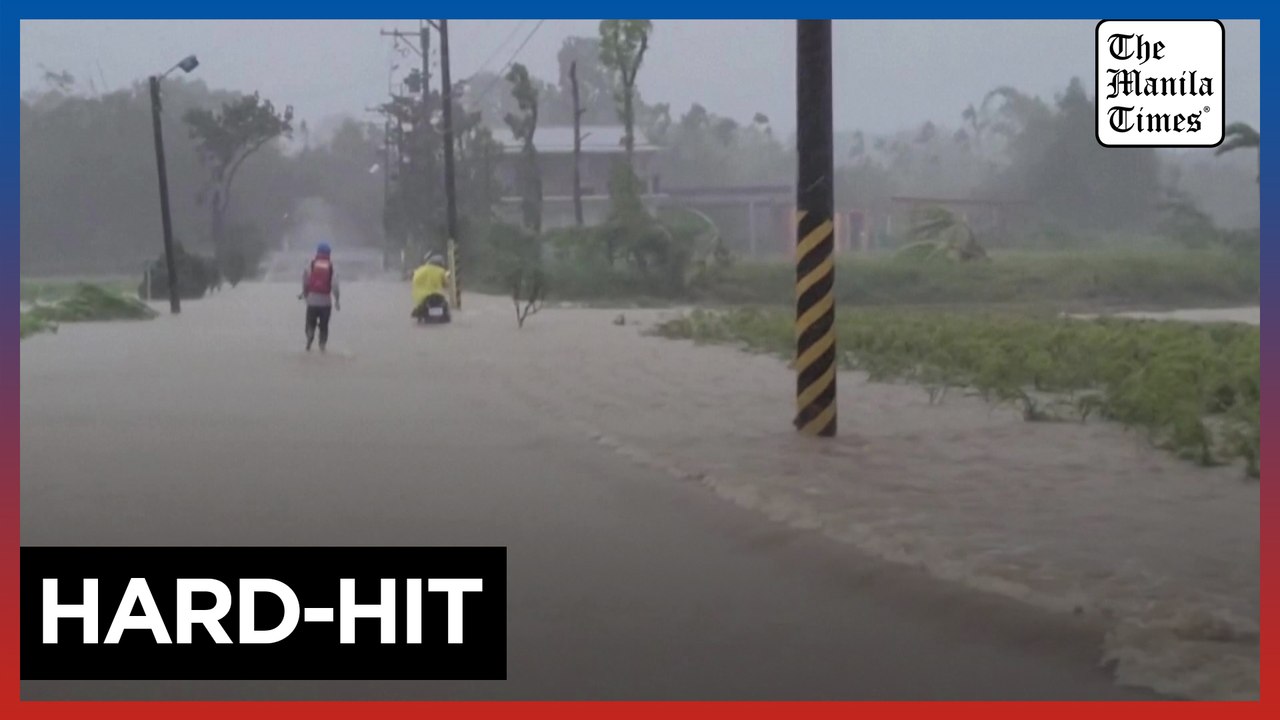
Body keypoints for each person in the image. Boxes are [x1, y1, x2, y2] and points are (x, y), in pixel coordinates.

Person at [299, 242, 340, 352]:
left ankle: (309, 336)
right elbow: (334, 285)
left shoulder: (310, 265)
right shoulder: (332, 267)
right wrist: (337, 299)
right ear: (329, 253)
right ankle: (322, 346)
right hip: (326, 302)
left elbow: (305, 281)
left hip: (312, 301)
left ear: (317, 252)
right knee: (324, 326)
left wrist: (305, 294)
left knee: (310, 323)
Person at [411, 252, 451, 320]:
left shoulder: (419, 269)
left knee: (419, 308)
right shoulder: (441, 271)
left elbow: (414, 281)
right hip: (437, 294)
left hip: (421, 296)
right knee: (446, 306)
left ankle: (420, 312)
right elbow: (446, 284)